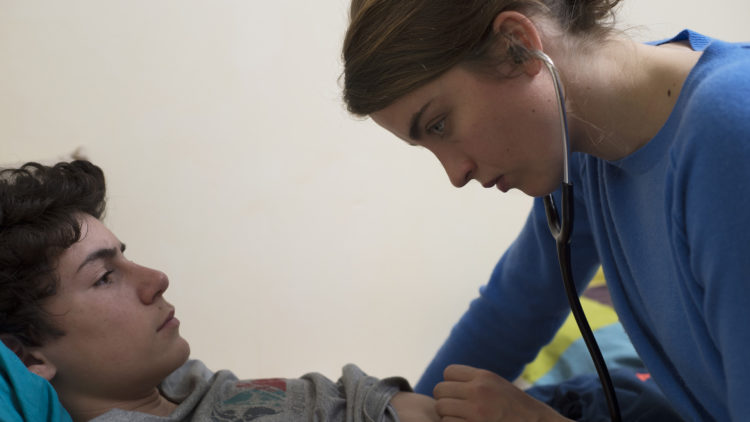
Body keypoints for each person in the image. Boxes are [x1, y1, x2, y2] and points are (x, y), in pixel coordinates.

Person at [342, 0, 750, 421]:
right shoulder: (590, 152)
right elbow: (513, 312)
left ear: (515, 46)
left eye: (440, 125)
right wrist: (416, 412)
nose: (455, 174)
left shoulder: (729, 131)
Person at [0, 160, 440, 422]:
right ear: (28, 358)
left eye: (125, 257)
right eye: (104, 278)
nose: (156, 279)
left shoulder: (182, 387)